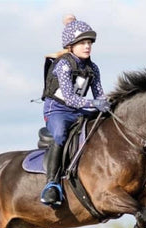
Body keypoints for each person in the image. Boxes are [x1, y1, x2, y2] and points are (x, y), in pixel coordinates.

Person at [40, 15, 110, 206]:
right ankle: (52, 184)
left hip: (80, 110)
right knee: (61, 135)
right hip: (58, 110)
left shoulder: (93, 67)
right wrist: (95, 104)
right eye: (82, 43)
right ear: (71, 45)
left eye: (89, 42)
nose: (87, 46)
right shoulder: (63, 64)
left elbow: (99, 95)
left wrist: (109, 104)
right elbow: (70, 99)